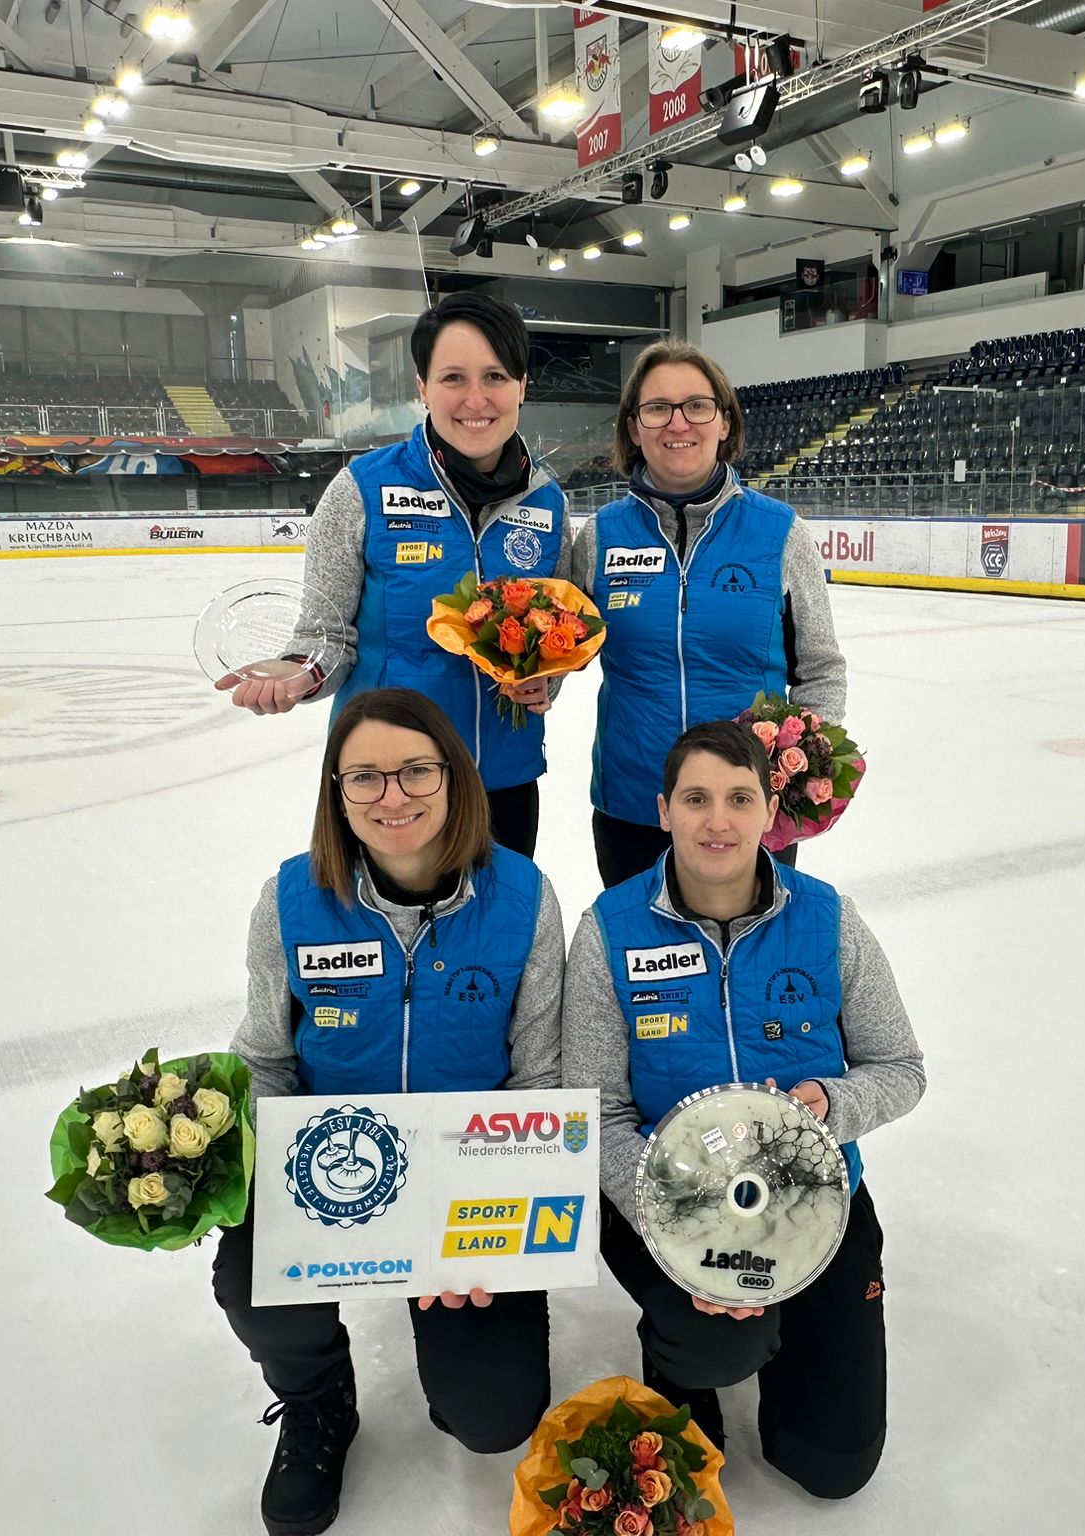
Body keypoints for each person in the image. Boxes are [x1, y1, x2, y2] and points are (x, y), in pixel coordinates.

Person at [214, 687, 566, 1536]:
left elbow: (539, 1081)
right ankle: (316, 1399)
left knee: (491, 1422)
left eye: (415, 771)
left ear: (454, 779)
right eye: (363, 777)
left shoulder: (522, 898)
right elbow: (264, 1058)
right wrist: (247, 1174)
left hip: (466, 1189)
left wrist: (500, 1231)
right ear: (335, 791)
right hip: (332, 1174)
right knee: (246, 1278)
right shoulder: (292, 899)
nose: (392, 796)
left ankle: (471, 1344)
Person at [562, 720, 927, 1500]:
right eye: (695, 798)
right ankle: (679, 1354)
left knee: (833, 1464)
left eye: (738, 799)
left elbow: (901, 1069)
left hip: (811, 1203)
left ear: (771, 812)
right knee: (713, 1345)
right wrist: (676, 1225)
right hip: (669, 1203)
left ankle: (795, 1330)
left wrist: (834, 1103)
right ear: (663, 810)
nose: (716, 821)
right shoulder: (609, 930)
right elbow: (597, 1111)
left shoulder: (828, 919)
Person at [216, 291, 571, 857]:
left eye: (496, 376)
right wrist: (298, 673)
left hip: (505, 778)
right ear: (422, 387)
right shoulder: (362, 489)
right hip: (389, 785)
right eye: (453, 377)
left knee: (499, 939)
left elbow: (559, 636)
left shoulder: (549, 502)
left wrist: (544, 681)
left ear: (522, 386)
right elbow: (324, 638)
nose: (476, 398)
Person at [568, 340, 847, 887]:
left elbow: (820, 668)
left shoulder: (781, 533)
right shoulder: (601, 535)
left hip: (744, 810)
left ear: (724, 421)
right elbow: (560, 643)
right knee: (639, 963)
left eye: (697, 405)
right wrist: (534, 685)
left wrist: (804, 765)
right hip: (633, 803)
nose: (679, 423)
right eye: (657, 408)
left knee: (747, 962)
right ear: (633, 427)